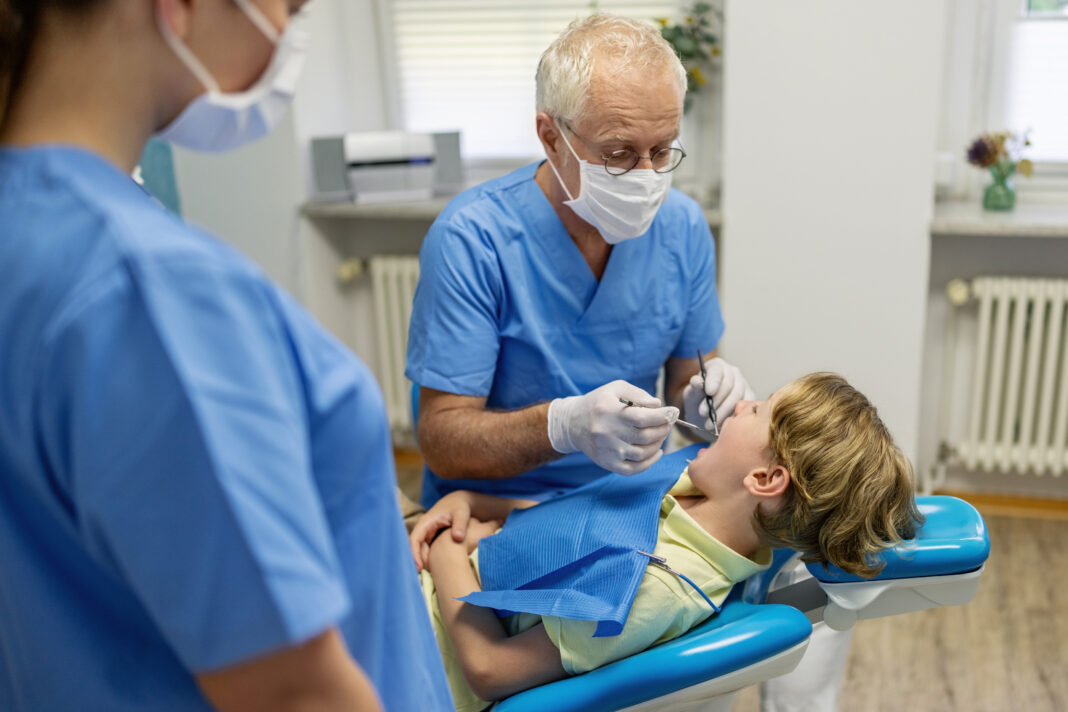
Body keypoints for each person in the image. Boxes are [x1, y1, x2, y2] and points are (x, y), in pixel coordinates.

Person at [0, 1, 451, 710]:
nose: (286, 38)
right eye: (289, 8)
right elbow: (292, 693)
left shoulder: (32, 233)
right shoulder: (146, 288)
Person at [409, 373, 924, 711]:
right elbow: (569, 519)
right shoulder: (687, 486)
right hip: (448, 562)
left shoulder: (657, 587)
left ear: (766, 480)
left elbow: (489, 670)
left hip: (423, 648)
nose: (741, 404)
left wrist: (449, 549)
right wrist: (471, 502)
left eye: (759, 410)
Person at [405, 13, 754, 510]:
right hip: (498, 511)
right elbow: (443, 442)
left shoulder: (681, 226)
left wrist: (705, 402)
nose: (647, 175)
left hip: (628, 502)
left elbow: (687, 378)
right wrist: (562, 427)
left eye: (662, 149)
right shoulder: (472, 239)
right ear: (551, 137)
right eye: (619, 153)